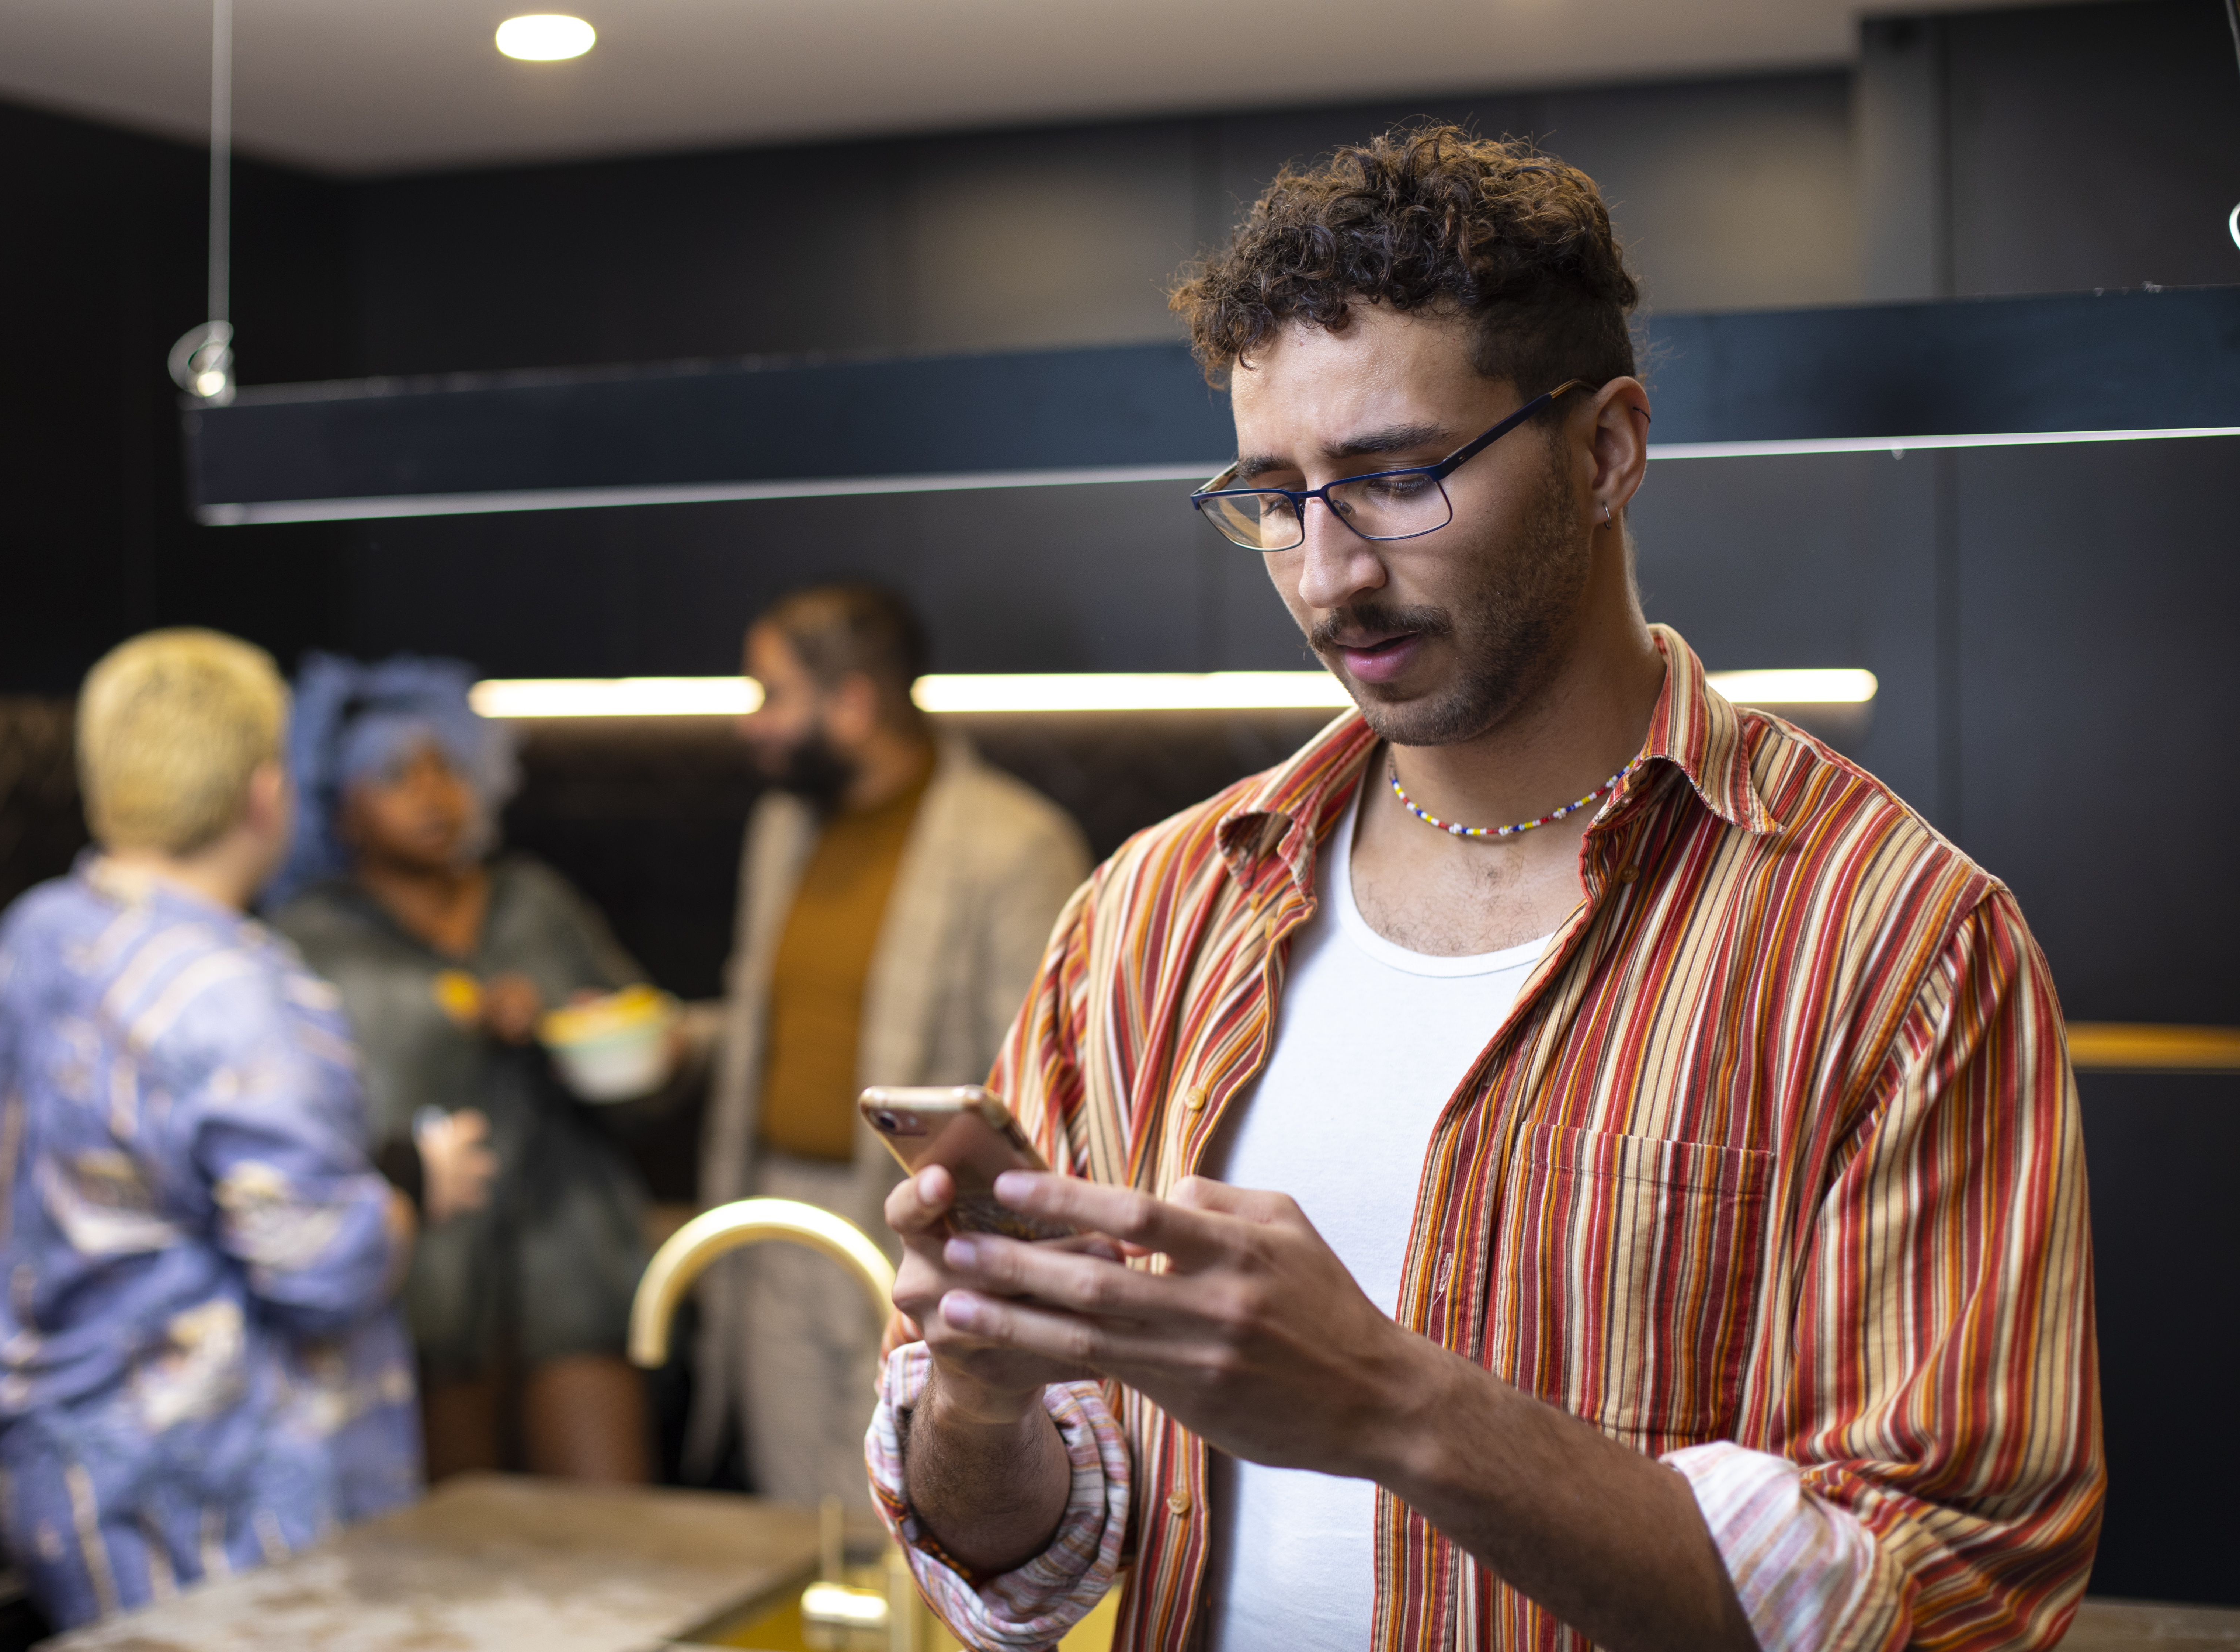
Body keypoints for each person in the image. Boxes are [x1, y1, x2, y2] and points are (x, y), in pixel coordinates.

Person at [869, 129, 2102, 1652]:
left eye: (1395, 479)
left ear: (1606, 451)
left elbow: (1950, 1593)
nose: (1328, 575)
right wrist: (984, 1395)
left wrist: (1395, 1405)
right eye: (1276, 497)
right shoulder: (1153, 914)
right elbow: (1027, 1561)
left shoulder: (1897, 944)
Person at [0, 629, 491, 1630]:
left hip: (66, 1476)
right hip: (222, 1504)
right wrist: (415, 1184)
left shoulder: (33, 937)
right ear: (264, 794)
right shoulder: (244, 992)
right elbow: (317, 1269)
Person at [696, 583, 1089, 1532]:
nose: (753, 723)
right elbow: (778, 1017)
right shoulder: (783, 828)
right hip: (778, 1219)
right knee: (803, 1529)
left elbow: (1046, 1083)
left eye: (771, 694)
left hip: (923, 1230)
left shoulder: (1014, 843)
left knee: (922, 1528)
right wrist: (685, 1038)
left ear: (854, 702)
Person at [270, 653, 673, 1485]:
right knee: (456, 1533)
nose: (432, 794)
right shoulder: (307, 941)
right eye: (396, 775)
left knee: (612, 1518)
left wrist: (575, 1031)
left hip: (570, 1259)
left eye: (447, 767)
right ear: (338, 807)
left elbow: (642, 1065)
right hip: (421, 1282)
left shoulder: (534, 903)